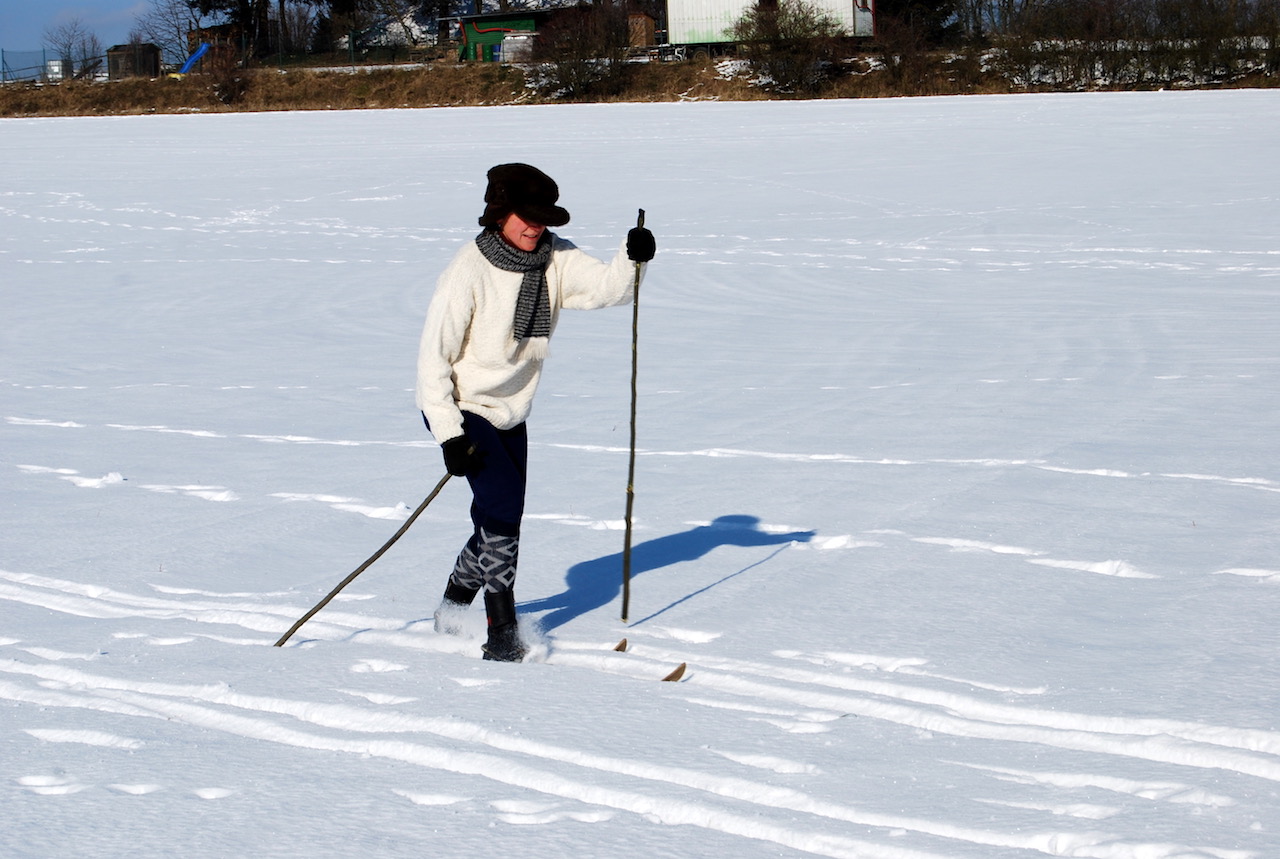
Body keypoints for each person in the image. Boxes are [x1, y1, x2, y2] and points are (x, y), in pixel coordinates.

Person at [416, 163, 656, 662]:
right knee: (503, 512)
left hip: (512, 409)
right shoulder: (468, 269)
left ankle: (453, 604)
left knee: (496, 517)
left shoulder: (553, 258)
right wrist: (448, 434)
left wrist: (633, 259)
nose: (536, 227)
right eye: (527, 217)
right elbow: (431, 361)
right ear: (500, 214)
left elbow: (609, 289)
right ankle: (501, 631)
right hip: (463, 410)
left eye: (544, 219)